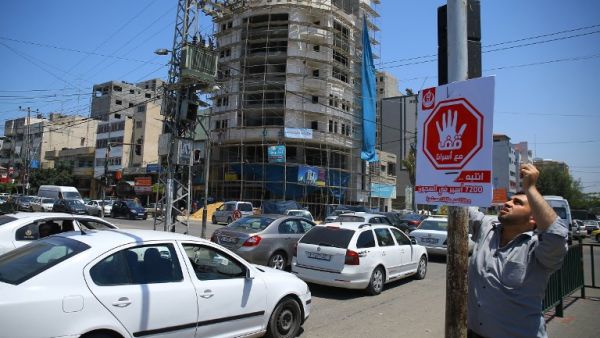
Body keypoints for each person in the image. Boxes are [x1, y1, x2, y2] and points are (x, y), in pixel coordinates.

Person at [467, 163, 568, 338]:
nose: (507, 203)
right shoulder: (487, 228)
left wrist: (530, 188)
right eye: (509, 199)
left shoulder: (537, 250)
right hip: (474, 332)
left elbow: (557, 234)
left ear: (533, 219)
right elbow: (461, 204)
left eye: (517, 202)